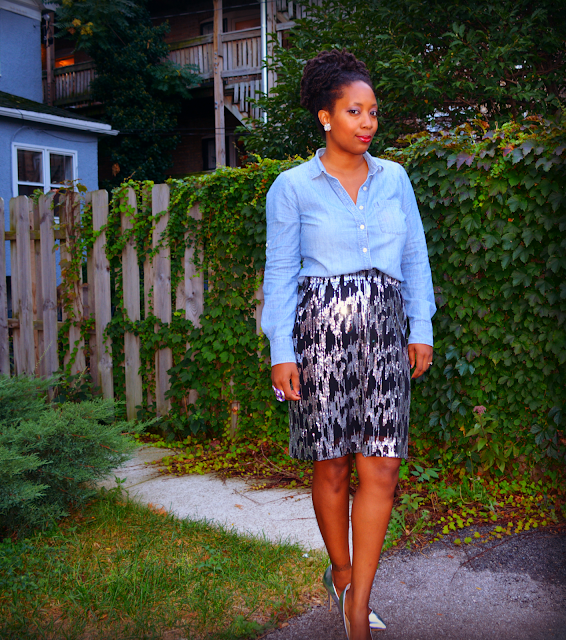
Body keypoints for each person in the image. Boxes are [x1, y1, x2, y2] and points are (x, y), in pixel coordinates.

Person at [261, 50, 436, 640]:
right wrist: (281, 349)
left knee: (381, 465)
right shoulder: (291, 188)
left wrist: (420, 328)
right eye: (354, 111)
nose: (367, 123)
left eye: (373, 112)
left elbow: (415, 257)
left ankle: (358, 606)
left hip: (386, 335)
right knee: (332, 465)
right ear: (325, 117)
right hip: (321, 339)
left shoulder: (396, 179)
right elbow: (281, 273)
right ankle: (342, 575)